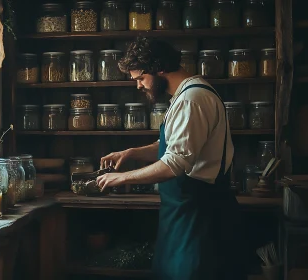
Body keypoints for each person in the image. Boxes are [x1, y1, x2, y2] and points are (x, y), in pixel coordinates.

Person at [96, 37, 247, 280]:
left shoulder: (192, 99)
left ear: (159, 69)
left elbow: (175, 162)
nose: (139, 86)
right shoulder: (185, 95)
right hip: (182, 215)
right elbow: (175, 146)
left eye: (140, 78)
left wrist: (122, 178)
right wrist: (132, 153)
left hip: (199, 216)